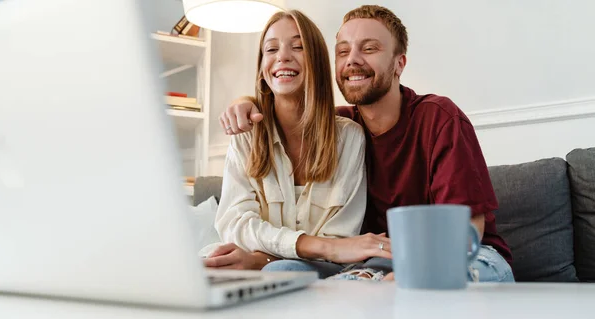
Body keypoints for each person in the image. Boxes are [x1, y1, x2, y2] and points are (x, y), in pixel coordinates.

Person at [218, 5, 515, 283]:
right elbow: (287, 112)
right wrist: (244, 102)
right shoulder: (338, 129)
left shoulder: (439, 118)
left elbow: (467, 231)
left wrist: (418, 272)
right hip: (381, 260)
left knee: (414, 287)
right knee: (314, 282)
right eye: (343, 51)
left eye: (369, 48)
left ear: (399, 63)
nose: (353, 60)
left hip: (468, 255)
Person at [204, 10, 389, 279]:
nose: (283, 56)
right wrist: (311, 246)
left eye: (298, 46)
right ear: (262, 67)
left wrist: (262, 259)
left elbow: (340, 240)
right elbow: (235, 223)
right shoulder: (247, 133)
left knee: (283, 269)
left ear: (316, 61)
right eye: (271, 49)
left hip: (319, 270)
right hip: (249, 266)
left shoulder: (349, 137)